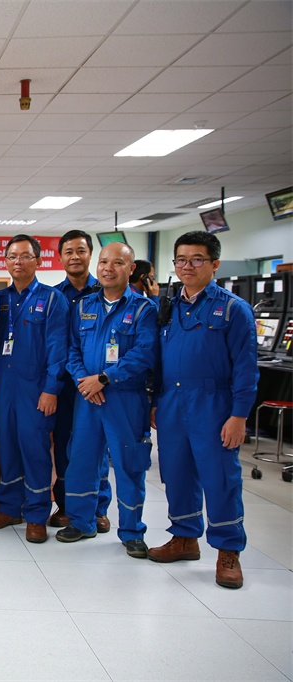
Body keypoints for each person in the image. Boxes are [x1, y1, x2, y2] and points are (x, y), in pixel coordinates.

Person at [148, 231, 256, 589]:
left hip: (214, 405)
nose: (187, 266)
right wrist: (155, 402)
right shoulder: (168, 308)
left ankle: (228, 551)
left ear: (214, 264)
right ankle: (184, 537)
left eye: (197, 259)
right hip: (172, 403)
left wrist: (239, 415)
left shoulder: (233, 309)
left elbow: (246, 368)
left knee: (220, 478)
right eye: (180, 260)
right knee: (176, 473)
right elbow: (158, 360)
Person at [57, 241, 158, 558]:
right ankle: (81, 522)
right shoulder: (83, 306)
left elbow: (144, 353)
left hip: (125, 399)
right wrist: (84, 381)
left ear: (131, 268)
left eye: (117, 262)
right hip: (87, 398)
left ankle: (131, 531)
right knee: (81, 462)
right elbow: (72, 349)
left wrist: (104, 379)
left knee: (129, 465)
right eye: (103, 262)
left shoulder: (143, 309)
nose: (108, 268)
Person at [0, 234, 68, 543]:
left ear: (38, 261)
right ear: (5, 262)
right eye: (12, 257)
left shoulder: (52, 299)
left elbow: (58, 348)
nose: (18, 262)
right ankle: (10, 508)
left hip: (36, 389)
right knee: (7, 448)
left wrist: (51, 389)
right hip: (4, 387)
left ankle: (36, 514)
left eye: (25, 256)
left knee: (35, 451)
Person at [51, 230, 112, 533]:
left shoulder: (107, 292)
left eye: (81, 251)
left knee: (97, 449)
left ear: (90, 255)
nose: (75, 257)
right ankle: (66, 506)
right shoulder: (54, 296)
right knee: (65, 446)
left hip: (99, 387)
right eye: (69, 252)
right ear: (60, 257)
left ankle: (98, 508)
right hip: (65, 385)